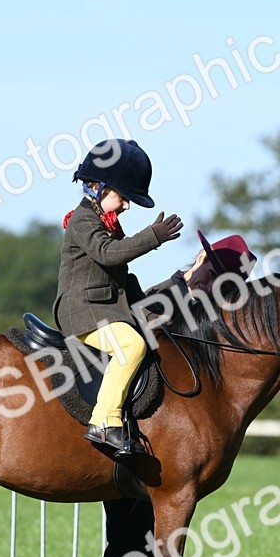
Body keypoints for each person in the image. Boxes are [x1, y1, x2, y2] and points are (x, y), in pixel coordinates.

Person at [101, 231, 258, 557]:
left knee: (159, 535)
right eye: (218, 276)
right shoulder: (167, 297)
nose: (220, 288)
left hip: (169, 437)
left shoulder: (209, 316)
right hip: (134, 432)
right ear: (203, 264)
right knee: (125, 534)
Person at [53, 138, 183, 458]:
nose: (126, 205)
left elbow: (122, 282)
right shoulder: (84, 219)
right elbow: (108, 255)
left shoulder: (106, 222)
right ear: (100, 187)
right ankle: (104, 422)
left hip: (102, 309)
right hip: (81, 310)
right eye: (124, 197)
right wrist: (153, 237)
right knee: (131, 345)